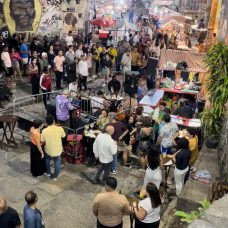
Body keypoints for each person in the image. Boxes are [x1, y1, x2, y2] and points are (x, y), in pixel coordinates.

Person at [41, 115, 66, 180]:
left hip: (48, 149)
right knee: (57, 162)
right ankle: (55, 177)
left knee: (47, 160)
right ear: (54, 121)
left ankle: (48, 173)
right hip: (58, 149)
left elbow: (42, 140)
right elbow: (64, 135)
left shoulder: (44, 131)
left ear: (46, 123)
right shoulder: (59, 128)